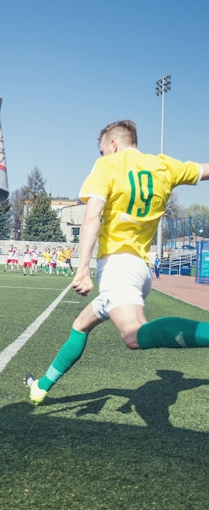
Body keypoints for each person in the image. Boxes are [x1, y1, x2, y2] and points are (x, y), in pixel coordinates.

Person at [25, 119, 209, 404]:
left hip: (118, 268)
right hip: (141, 270)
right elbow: (204, 169)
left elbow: (91, 216)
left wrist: (83, 269)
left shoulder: (108, 165)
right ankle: (41, 386)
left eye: (101, 150)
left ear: (113, 144)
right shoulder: (164, 165)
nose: (101, 156)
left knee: (133, 336)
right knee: (80, 325)